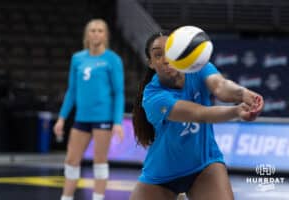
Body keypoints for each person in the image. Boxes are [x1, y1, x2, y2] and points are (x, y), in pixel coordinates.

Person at [130, 32, 264, 200]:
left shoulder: (198, 67)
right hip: (162, 174)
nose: (165, 59)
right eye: (158, 55)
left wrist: (243, 93)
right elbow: (200, 114)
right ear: (151, 63)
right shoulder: (153, 97)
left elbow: (220, 86)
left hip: (204, 165)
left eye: (170, 52)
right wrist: (236, 111)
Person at [53, 19, 124, 200]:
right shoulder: (77, 59)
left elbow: (118, 93)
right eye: (92, 30)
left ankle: (98, 198)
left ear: (105, 35)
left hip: (103, 117)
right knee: (71, 160)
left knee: (99, 162)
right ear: (87, 34)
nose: (96, 34)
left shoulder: (113, 60)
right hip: (81, 118)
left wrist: (117, 122)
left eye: (100, 30)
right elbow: (72, 90)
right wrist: (61, 118)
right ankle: (66, 197)